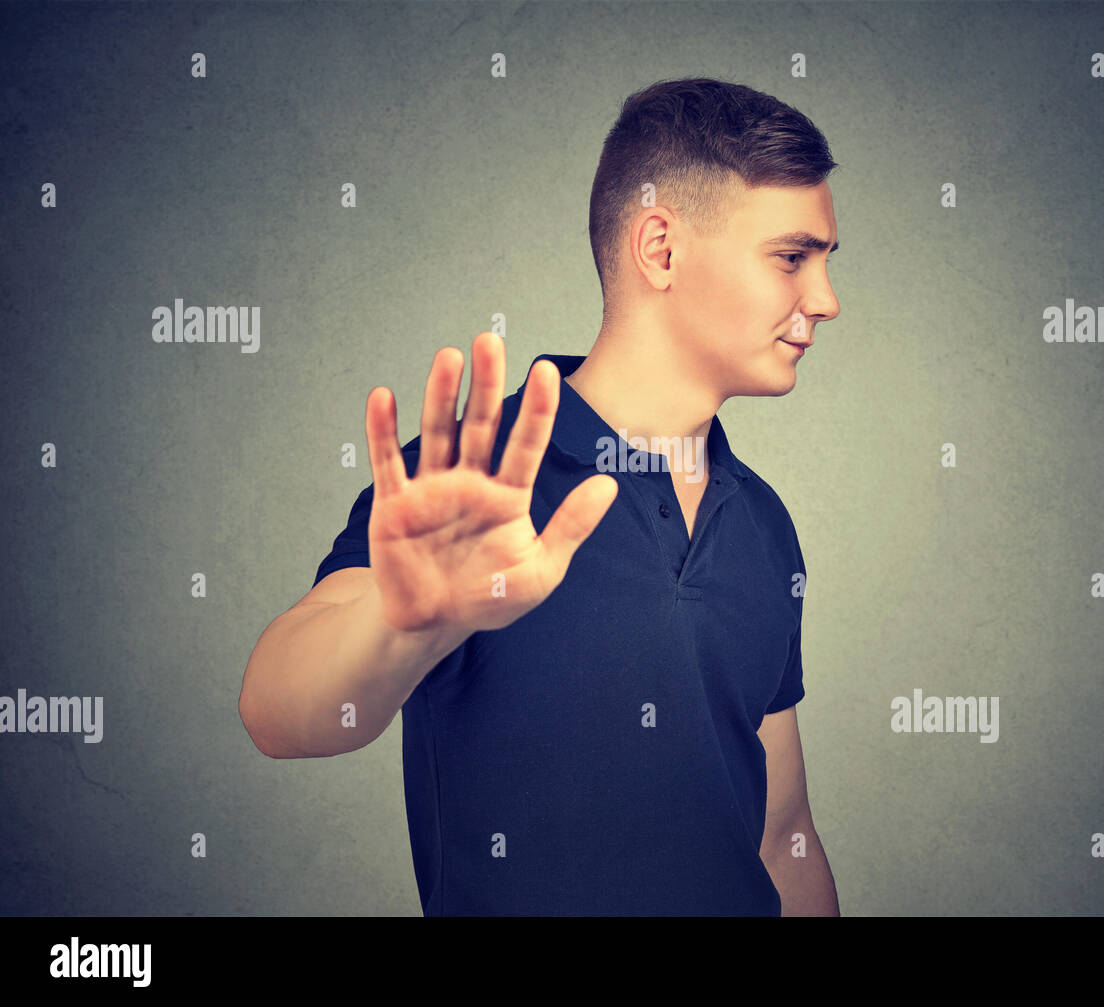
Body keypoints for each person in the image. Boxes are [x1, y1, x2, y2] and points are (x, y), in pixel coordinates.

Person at [239, 77, 841, 916]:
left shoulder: (766, 527)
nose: (826, 300)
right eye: (791, 257)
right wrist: (411, 621)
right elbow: (278, 711)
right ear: (661, 249)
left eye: (825, 263)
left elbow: (783, 835)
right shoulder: (469, 484)